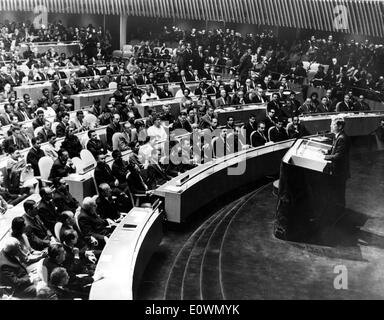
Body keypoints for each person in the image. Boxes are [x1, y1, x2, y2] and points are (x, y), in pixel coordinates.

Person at [323, 117, 351, 208]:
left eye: (333, 124)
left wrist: (325, 157)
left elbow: (338, 156)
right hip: (338, 170)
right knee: (337, 192)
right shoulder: (338, 136)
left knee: (339, 193)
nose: (330, 126)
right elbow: (335, 150)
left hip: (340, 171)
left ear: (339, 126)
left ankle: (340, 212)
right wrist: (327, 152)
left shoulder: (341, 138)